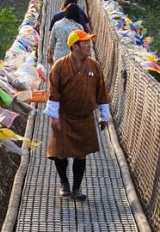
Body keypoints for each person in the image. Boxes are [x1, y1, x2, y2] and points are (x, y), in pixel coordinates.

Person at [45, 29, 109, 200]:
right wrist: (54, 117)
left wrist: (104, 116)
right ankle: (64, 183)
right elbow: (53, 93)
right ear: (74, 46)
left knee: (81, 154)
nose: (89, 46)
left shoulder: (94, 66)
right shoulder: (59, 66)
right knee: (60, 153)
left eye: (89, 42)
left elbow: (101, 92)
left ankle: (77, 188)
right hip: (64, 116)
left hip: (85, 117)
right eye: (85, 43)